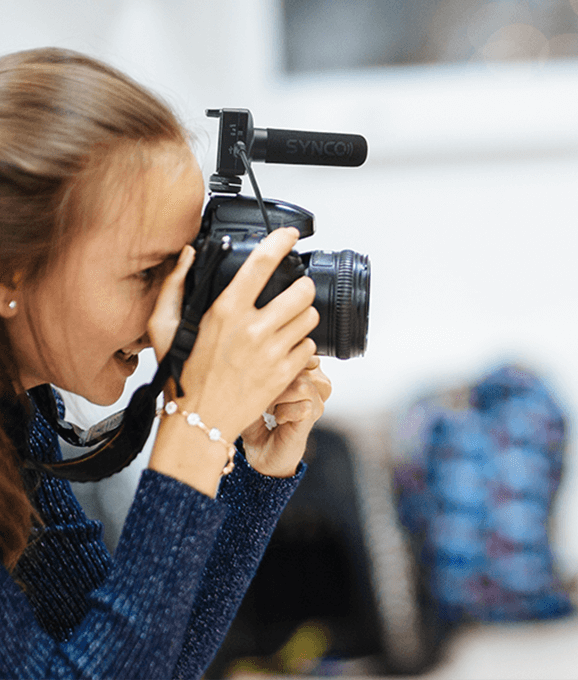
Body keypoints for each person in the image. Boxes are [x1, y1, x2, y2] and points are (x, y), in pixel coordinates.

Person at [0, 47, 332, 678]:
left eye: (186, 268)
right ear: (8, 270)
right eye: (149, 272)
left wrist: (254, 471)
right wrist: (194, 433)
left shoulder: (22, 412)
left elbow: (147, 659)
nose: (171, 317)